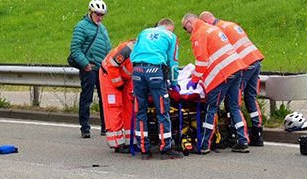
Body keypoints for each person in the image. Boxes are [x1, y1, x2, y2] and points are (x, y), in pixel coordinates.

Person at [182, 13, 249, 154]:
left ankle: (205, 144)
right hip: (236, 68)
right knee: (234, 107)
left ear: (190, 22)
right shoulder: (212, 28)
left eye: (185, 28)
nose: (187, 32)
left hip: (222, 75)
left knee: (211, 108)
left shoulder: (199, 34)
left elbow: (202, 62)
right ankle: (243, 141)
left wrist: (194, 81)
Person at [199, 11, 266, 146]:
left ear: (206, 22)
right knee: (250, 97)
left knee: (234, 101)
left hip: (244, 65)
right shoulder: (229, 24)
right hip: (255, 59)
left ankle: (234, 135)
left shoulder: (217, 30)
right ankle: (258, 133)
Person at [129, 19, 183, 160]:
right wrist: (174, 82)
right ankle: (165, 149)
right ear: (170, 28)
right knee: (162, 112)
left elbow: (133, 54)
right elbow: (173, 62)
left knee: (140, 112)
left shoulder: (143, 32)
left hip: (137, 70)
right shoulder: (171, 36)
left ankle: (144, 150)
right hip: (155, 71)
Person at [70, 0, 111, 139]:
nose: (100, 17)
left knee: (104, 99)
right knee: (87, 98)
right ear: (91, 12)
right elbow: (75, 48)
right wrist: (85, 64)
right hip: (89, 67)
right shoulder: (81, 27)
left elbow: (107, 46)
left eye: (102, 15)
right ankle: (85, 127)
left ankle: (106, 126)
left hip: (102, 69)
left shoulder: (102, 27)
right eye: (98, 14)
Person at [99, 39, 135, 153]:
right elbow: (112, 65)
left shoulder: (148, 50)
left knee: (129, 106)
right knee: (114, 107)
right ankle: (116, 143)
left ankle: (131, 140)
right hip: (110, 77)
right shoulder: (128, 49)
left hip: (127, 79)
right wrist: (118, 84)